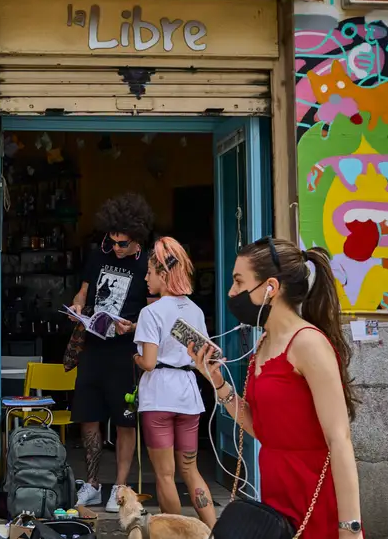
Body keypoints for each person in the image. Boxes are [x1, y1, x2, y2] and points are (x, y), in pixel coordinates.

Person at [189, 237, 364, 539]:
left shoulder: (308, 343)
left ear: (271, 287)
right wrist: (216, 382)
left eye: (238, 281)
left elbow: (339, 439)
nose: (231, 292)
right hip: (276, 497)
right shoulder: (264, 342)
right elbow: (262, 429)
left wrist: (350, 528)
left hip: (313, 495)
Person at [68, 193, 154, 512]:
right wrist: (78, 305)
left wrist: (131, 328)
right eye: (112, 241)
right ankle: (91, 484)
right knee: (88, 415)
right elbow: (85, 289)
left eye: (122, 244)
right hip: (93, 345)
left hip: (125, 353)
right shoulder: (99, 252)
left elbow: (155, 312)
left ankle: (119, 486)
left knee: (124, 420)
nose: (115, 248)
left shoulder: (148, 264)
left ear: (138, 241)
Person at [130, 237, 217, 529]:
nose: (145, 277)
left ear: (163, 275)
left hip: (158, 396)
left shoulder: (150, 312)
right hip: (188, 394)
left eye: (149, 272)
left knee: (165, 475)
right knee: (190, 470)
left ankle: (179, 533)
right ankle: (214, 530)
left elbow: (150, 362)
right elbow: (200, 358)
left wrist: (136, 358)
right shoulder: (194, 310)